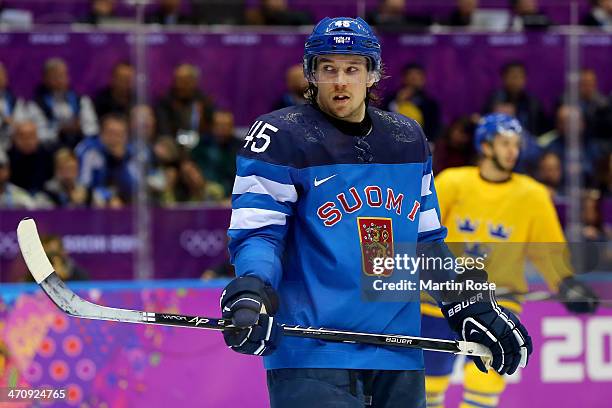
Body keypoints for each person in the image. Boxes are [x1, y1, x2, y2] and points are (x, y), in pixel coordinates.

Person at [220, 17, 532, 407]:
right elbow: (259, 235)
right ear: (311, 74)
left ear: (372, 75)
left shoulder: (407, 139)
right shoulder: (279, 137)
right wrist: (253, 291)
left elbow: (426, 243)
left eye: (353, 69)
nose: (340, 81)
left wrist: (468, 304)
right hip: (312, 351)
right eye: (328, 68)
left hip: (397, 352)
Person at [421, 114, 598, 408]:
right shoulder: (453, 182)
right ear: (486, 146)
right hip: (443, 300)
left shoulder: (533, 195)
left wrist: (567, 283)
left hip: (500, 300)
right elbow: (425, 233)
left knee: (486, 379)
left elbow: (548, 251)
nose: (512, 151)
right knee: (429, 387)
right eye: (504, 143)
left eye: (515, 144)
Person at [28, 58, 99, 148]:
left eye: (62, 75)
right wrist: (59, 130)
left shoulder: (82, 101)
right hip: (51, 148)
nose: (59, 80)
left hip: (80, 145)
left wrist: (80, 128)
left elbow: (92, 129)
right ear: (45, 79)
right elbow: (38, 134)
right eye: (54, 76)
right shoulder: (35, 105)